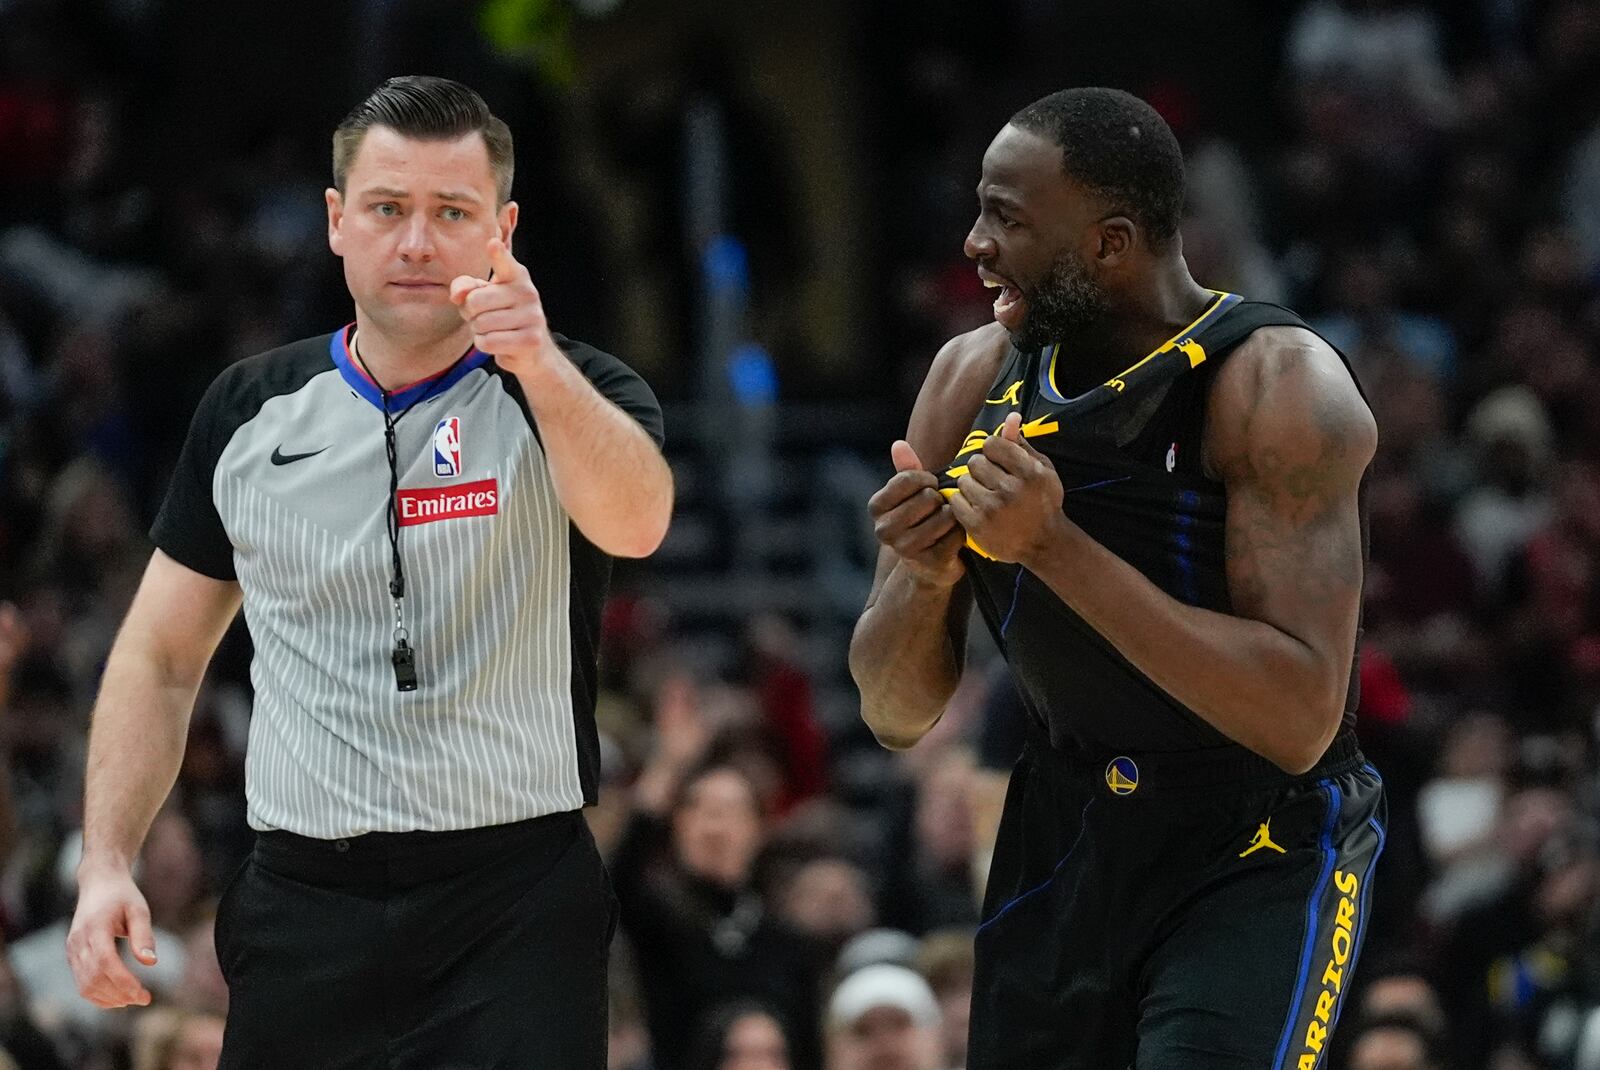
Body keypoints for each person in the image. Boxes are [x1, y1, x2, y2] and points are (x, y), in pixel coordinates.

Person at [65, 75, 673, 1068]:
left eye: (452, 212)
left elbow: (638, 519)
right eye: (389, 209)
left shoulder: (577, 390)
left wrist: (539, 364)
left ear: (502, 229)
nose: (418, 242)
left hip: (511, 902)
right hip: (303, 899)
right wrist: (104, 860)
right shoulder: (247, 411)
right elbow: (162, 657)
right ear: (338, 221)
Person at [850, 87, 1385, 1069]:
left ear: (1109, 242)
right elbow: (892, 711)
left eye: (1006, 218)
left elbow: (1300, 715)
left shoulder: (1273, 387)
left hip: (1252, 841)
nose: (972, 241)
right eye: (979, 207)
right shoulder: (966, 379)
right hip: (1064, 827)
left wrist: (1053, 548)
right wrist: (924, 580)